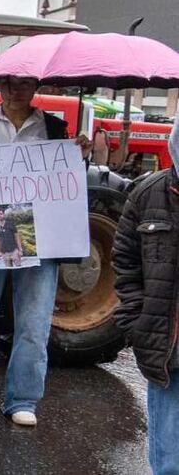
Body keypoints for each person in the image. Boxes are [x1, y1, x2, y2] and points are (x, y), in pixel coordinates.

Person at [0, 76, 89, 426]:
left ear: (35, 86)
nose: (15, 90)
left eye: (24, 83)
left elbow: (66, 184)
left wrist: (79, 155)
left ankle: (23, 399)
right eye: (9, 83)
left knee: (34, 322)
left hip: (42, 237)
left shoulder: (56, 128)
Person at [113, 115, 179, 475]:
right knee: (169, 462)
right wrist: (136, 320)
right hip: (169, 348)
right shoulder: (146, 193)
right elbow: (125, 260)